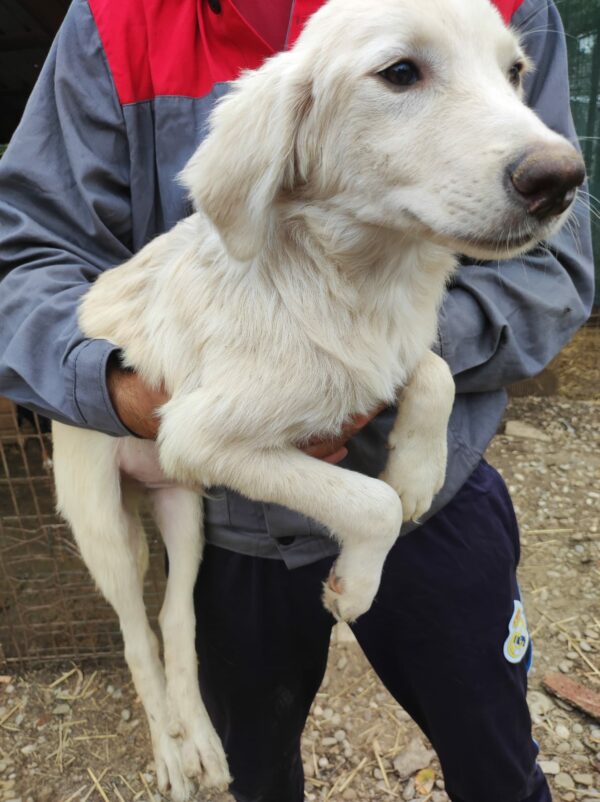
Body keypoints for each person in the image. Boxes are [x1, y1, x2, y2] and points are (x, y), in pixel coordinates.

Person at [0, 1, 594, 801]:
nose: (549, 153)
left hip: (434, 496)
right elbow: (26, 254)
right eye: (401, 73)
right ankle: (175, 712)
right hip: (229, 526)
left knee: (496, 759)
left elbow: (552, 279)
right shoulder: (118, 19)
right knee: (254, 773)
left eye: (511, 72)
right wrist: (116, 392)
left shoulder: (495, 7)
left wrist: (379, 368)